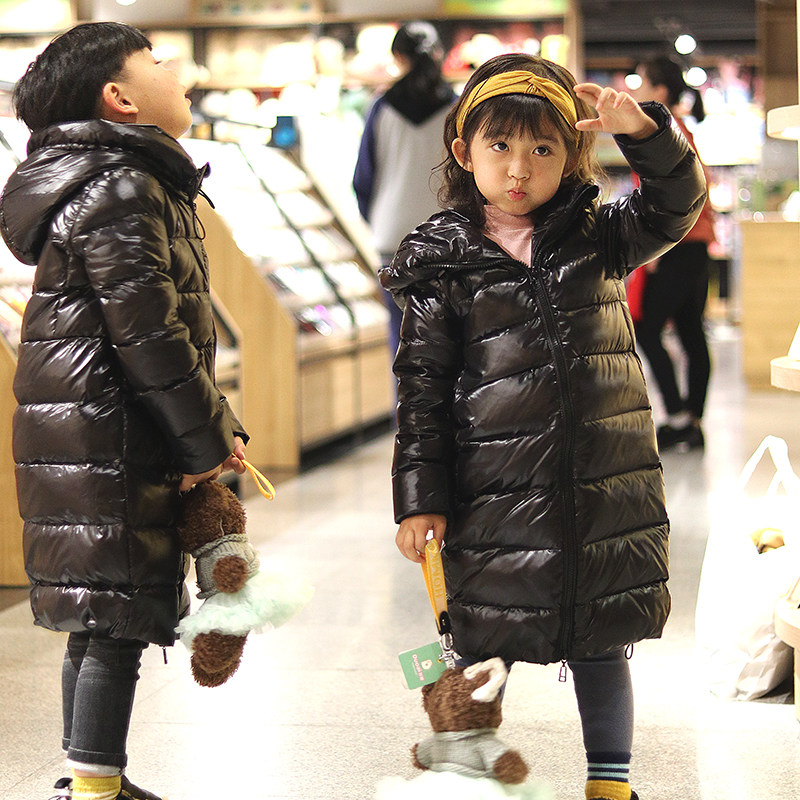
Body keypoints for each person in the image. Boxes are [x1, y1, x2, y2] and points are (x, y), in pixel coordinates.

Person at [381, 52, 706, 800]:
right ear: (464, 152)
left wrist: (646, 134)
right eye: (499, 145)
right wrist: (420, 497)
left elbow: (676, 205)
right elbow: (421, 390)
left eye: (543, 148)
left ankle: (609, 784)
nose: (520, 168)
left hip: (601, 484)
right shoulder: (440, 263)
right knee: (479, 636)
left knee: (601, 640)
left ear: (573, 156)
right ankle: (464, 770)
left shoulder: (600, 235)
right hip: (492, 492)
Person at [0, 22, 248, 800]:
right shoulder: (122, 188)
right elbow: (153, 338)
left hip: (92, 428)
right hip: (109, 435)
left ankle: (91, 778)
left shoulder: (115, 180)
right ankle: (95, 789)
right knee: (115, 624)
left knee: (100, 617)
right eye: (156, 61)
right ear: (120, 97)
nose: (176, 70)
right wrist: (208, 443)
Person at [353, 21, 456, 359]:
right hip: (447, 237)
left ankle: (402, 397)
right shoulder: (456, 108)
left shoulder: (381, 108)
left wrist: (376, 220)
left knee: (402, 344)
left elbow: (363, 179)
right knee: (448, 343)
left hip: (393, 238)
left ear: (399, 57)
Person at [629, 56, 716, 451]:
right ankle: (690, 422)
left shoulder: (664, 133)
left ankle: (681, 417)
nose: (635, 91)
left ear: (660, 91)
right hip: (694, 247)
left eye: (641, 82)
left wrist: (655, 250)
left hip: (679, 247)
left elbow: (674, 199)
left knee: (647, 329)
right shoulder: (674, 130)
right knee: (690, 331)